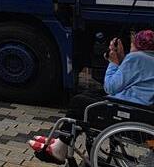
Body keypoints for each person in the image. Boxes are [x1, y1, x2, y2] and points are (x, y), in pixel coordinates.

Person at [29, 29, 154, 164]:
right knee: (89, 95)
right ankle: (61, 142)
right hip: (142, 109)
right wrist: (122, 61)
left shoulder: (137, 58)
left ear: (137, 43)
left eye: (132, 43)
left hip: (129, 110)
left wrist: (113, 62)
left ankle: (60, 146)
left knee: (79, 101)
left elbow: (111, 87)